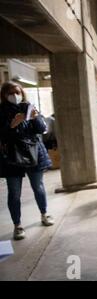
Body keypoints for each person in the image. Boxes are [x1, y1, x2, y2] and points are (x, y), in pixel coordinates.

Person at [0, 81, 54, 241]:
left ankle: (44, 214)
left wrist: (35, 118)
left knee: (38, 187)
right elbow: (2, 135)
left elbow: (42, 129)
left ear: (22, 93)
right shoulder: (1, 111)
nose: (14, 96)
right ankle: (17, 225)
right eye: (10, 93)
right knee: (14, 192)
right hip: (12, 156)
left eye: (17, 92)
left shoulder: (28, 106)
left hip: (34, 153)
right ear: (4, 95)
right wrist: (12, 125)